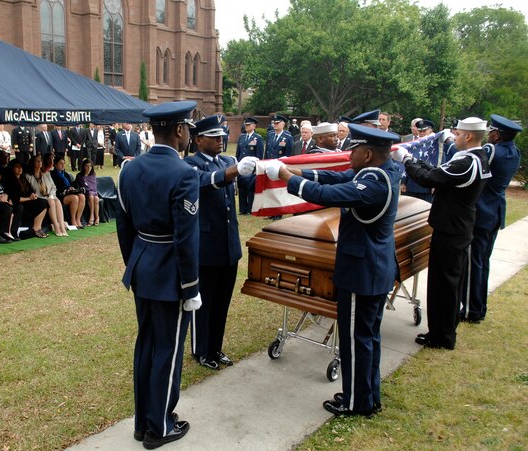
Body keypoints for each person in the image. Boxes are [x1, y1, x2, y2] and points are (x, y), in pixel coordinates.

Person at [265, 123, 401, 417]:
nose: (348, 154)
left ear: (367, 154)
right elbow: (333, 176)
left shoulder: (374, 183)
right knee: (368, 337)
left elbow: (329, 194)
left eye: (354, 150)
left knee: (355, 338)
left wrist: (287, 177)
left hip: (362, 271)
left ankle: (355, 402)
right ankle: (368, 395)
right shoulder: (382, 170)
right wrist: (295, 170)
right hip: (375, 268)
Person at [116, 101, 201, 450]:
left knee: (146, 345)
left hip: (142, 267)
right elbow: (186, 238)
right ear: (179, 130)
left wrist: (136, 262)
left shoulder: (130, 169)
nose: (188, 136)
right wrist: (191, 286)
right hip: (170, 275)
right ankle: (160, 426)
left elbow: (124, 227)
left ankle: (143, 423)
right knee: (167, 349)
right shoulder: (184, 173)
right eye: (188, 129)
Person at [393, 117, 491, 350]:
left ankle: (442, 336)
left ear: (468, 136)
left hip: (452, 229)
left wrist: (406, 160)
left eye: (457, 134)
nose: (453, 138)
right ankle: (442, 330)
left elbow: (430, 178)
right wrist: (415, 160)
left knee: (444, 284)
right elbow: (439, 172)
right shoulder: (477, 158)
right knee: (447, 283)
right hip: (456, 226)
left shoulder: (467, 161)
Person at [184, 115, 258, 370]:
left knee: (222, 302)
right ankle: (201, 350)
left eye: (222, 136)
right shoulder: (190, 165)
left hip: (228, 245)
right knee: (203, 302)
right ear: (198, 139)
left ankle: (215, 347)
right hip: (205, 246)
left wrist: (268, 168)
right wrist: (235, 170)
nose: (221, 140)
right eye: (214, 136)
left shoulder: (227, 161)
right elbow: (205, 182)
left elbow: (249, 182)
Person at [460, 114, 523, 324]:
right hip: (495, 211)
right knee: (482, 263)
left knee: (472, 264)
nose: (489, 136)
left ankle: (470, 310)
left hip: (481, 212)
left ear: (496, 135)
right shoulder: (514, 151)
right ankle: (479, 306)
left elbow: (470, 159)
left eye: (491, 133)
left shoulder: (491, 150)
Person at [401, 119, 457, 203]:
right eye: (420, 131)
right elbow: (405, 164)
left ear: (430, 130)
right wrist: (403, 182)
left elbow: (440, 163)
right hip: (411, 182)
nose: (422, 133)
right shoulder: (414, 144)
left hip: (428, 184)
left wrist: (436, 184)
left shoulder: (436, 145)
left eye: (424, 130)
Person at [4, 159, 49, 239]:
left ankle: (37, 227)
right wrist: (29, 198)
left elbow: (30, 190)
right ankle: (33, 228)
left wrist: (32, 194)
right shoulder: (10, 180)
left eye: (21, 167)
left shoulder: (23, 178)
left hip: (27, 200)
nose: (20, 169)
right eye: (17, 167)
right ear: (13, 169)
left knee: (44, 202)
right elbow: (16, 198)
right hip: (19, 202)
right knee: (37, 204)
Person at [27, 154, 68, 237]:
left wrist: (51, 194)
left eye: (40, 161)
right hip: (39, 197)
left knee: (57, 202)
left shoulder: (46, 174)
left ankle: (62, 226)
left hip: (49, 195)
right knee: (51, 202)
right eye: (37, 161)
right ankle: (56, 226)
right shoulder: (29, 176)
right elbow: (32, 190)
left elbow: (53, 186)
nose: (40, 163)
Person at [235, 116, 264, 215]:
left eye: (248, 125)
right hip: (241, 167)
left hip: (252, 168)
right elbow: (238, 153)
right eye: (245, 125)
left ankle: (250, 209)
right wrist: (237, 164)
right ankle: (242, 209)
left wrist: (257, 168)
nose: (246, 127)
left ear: (254, 126)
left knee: (250, 188)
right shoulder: (242, 137)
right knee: (242, 188)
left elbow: (259, 155)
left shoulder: (258, 138)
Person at [51, 157, 86, 228]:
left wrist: (72, 188)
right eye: (61, 163)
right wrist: (67, 189)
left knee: (82, 196)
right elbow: (55, 188)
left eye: (64, 163)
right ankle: (73, 220)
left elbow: (71, 184)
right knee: (75, 198)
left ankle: (78, 219)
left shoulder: (66, 174)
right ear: (55, 165)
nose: (63, 165)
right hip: (60, 195)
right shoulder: (52, 175)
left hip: (69, 193)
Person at [74, 158, 100, 226]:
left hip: (93, 192)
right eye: (87, 166)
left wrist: (93, 192)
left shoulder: (93, 174)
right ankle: (91, 216)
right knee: (91, 196)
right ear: (83, 166)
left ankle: (97, 217)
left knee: (96, 198)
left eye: (90, 166)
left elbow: (94, 186)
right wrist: (89, 191)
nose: (89, 168)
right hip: (86, 193)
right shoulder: (79, 175)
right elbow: (82, 187)